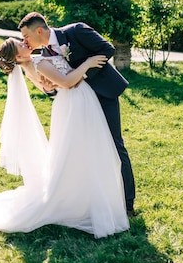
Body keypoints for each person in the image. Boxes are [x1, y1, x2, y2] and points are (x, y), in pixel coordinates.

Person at [0, 37, 129, 238]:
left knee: (75, 152)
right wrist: (82, 68)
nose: (24, 43)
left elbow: (51, 87)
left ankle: (83, 194)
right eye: (20, 45)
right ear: (18, 56)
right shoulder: (34, 65)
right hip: (71, 103)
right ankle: (78, 197)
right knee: (75, 151)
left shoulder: (33, 61)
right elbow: (55, 88)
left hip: (71, 103)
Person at [18, 12, 136, 216]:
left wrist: (83, 75)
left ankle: (127, 203)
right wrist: (49, 88)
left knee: (114, 144)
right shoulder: (44, 57)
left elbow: (107, 49)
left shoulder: (76, 31)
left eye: (26, 36)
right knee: (86, 149)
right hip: (78, 105)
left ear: (39, 30)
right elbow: (57, 87)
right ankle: (95, 197)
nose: (25, 41)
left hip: (102, 94)